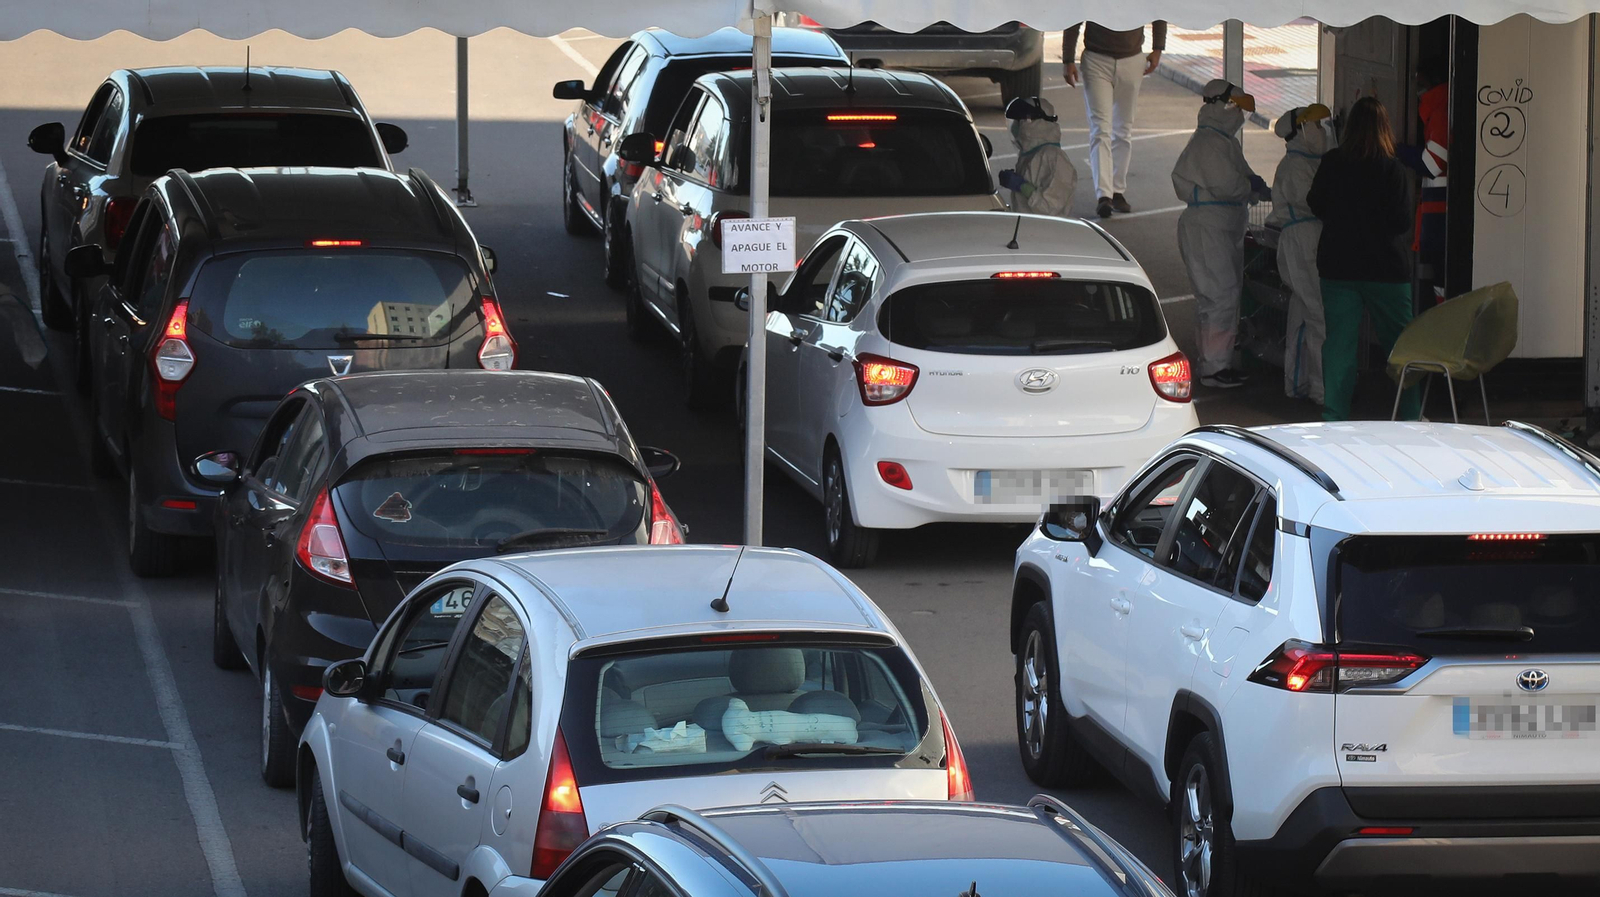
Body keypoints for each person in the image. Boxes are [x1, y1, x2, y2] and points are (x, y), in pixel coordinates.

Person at [1306, 96, 1422, 421]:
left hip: (1338, 267)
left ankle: (1334, 417)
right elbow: (1402, 222)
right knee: (1401, 347)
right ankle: (1409, 416)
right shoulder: (1393, 170)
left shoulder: (1332, 163)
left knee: (1340, 346)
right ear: (1385, 129)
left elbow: (1315, 202)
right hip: (1386, 270)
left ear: (1351, 128)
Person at [1172, 79, 1270, 389]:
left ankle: (1214, 361)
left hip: (1218, 225)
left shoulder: (1223, 141)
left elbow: (1241, 175)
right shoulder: (1210, 143)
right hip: (1208, 226)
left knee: (1215, 297)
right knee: (1220, 296)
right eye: (1237, 108)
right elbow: (1230, 184)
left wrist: (1252, 184)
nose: (1240, 116)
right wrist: (1251, 188)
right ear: (1223, 107)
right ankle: (1215, 368)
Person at [1063, 21, 1166, 219]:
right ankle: (1104, 195)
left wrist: (1158, 48)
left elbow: (1156, 9)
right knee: (1100, 129)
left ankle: (1117, 190)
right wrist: (1068, 59)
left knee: (1123, 130)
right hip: (1096, 60)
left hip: (1132, 60)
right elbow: (1074, 14)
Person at [1266, 104, 1334, 405]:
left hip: (1302, 240)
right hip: (1305, 241)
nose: (1321, 131)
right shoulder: (1296, 166)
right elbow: (1318, 202)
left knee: (1302, 314)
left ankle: (1297, 382)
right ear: (1301, 131)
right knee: (1318, 314)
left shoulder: (1307, 162)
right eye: (1315, 126)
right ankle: (1322, 389)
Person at [1399, 58, 1450, 304]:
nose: (1416, 85)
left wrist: (1398, 151)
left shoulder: (1440, 110)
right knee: (1440, 283)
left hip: (1440, 219)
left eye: (1419, 78)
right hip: (1438, 217)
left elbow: (1432, 164)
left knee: (1442, 283)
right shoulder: (1438, 108)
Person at [997, 96, 1078, 217]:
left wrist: (1022, 187)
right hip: (1030, 228)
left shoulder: (1055, 158)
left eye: (1020, 121)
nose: (1015, 127)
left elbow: (1051, 207)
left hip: (1048, 232)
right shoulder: (1030, 156)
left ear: (1033, 123)